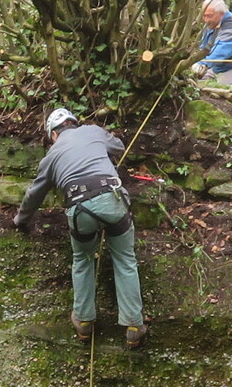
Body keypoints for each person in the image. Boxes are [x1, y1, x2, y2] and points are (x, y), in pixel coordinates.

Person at [11, 106, 146, 348]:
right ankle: (134, 325)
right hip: (111, 198)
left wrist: (20, 220)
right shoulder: (92, 131)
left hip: (79, 208)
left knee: (83, 260)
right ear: (73, 123)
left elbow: (34, 194)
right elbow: (119, 147)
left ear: (54, 134)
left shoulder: (51, 156)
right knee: (125, 259)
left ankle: (84, 322)